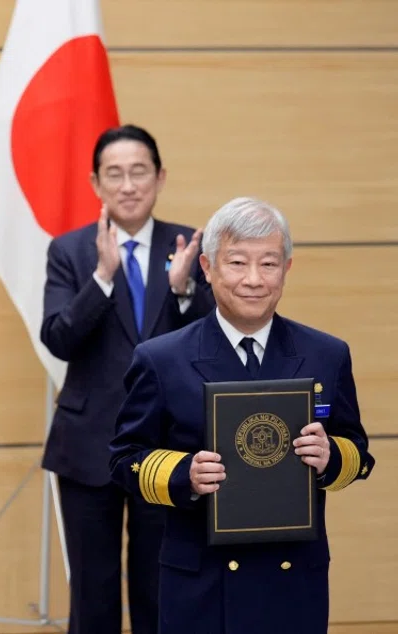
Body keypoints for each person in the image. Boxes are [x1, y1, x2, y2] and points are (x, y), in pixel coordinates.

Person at [109, 196, 374, 633]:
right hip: (200, 585)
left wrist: (331, 458)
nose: (254, 280)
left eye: (269, 264)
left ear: (286, 269)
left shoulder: (325, 354)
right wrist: (184, 474)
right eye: (237, 263)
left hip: (292, 584)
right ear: (208, 268)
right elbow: (124, 459)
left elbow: (359, 454)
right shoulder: (161, 358)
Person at [40, 125, 216, 634]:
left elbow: (216, 343)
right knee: (92, 594)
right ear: (95, 184)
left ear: (159, 177)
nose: (128, 185)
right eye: (114, 174)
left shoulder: (191, 246)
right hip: (87, 444)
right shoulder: (70, 250)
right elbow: (57, 338)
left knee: (160, 586)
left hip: (169, 446)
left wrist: (185, 292)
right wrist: (101, 278)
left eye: (139, 172)